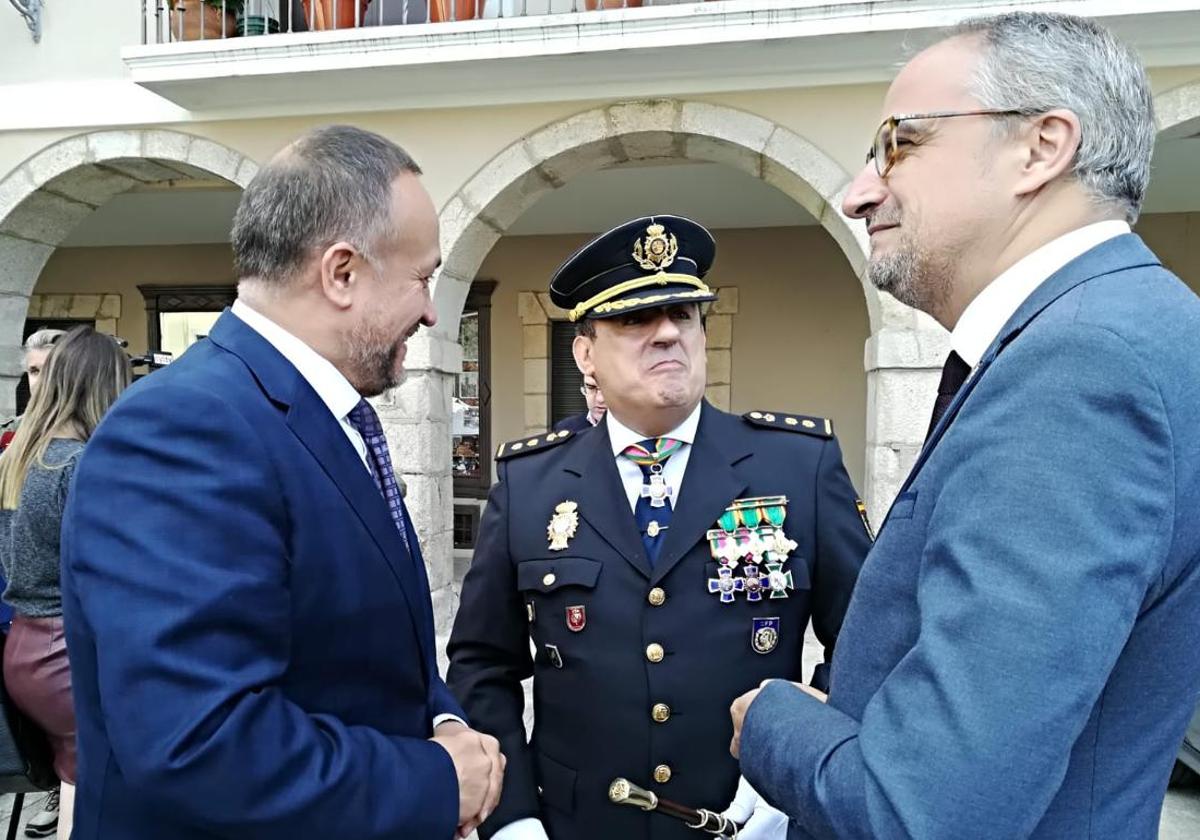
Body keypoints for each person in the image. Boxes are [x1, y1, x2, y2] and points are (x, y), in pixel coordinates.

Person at [732, 12, 1200, 840]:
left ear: (1041, 147)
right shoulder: (1132, 326)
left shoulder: (1080, 368)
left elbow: (925, 813)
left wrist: (776, 722)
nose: (859, 191)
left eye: (900, 144)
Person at [60, 125, 503, 840]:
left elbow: (371, 654)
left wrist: (445, 721)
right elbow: (199, 744)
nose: (430, 311)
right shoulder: (186, 430)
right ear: (341, 273)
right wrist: (434, 781)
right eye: (423, 278)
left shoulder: (323, 415)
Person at [447, 214, 871, 840]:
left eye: (684, 315)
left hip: (749, 821)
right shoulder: (530, 483)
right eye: (634, 320)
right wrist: (513, 822)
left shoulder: (798, 464)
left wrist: (793, 772)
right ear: (584, 352)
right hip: (576, 824)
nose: (667, 333)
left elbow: (870, 640)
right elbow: (483, 666)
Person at [0, 326, 132, 840]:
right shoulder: (79, 465)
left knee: (79, 778)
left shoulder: (20, 457)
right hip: (65, 650)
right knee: (94, 788)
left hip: (27, 645)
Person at [0, 328, 66, 453]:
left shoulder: (95, 431)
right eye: (34, 371)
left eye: (50, 370)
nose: (41, 380)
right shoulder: (9, 432)